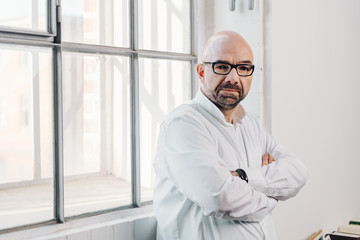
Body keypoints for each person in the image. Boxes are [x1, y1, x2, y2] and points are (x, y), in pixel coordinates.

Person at [153, 30, 308, 240]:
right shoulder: (183, 124)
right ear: (201, 71)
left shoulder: (250, 123)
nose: (233, 78)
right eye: (222, 66)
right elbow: (221, 198)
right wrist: (271, 197)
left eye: (244, 68)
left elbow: (298, 172)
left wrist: (243, 177)